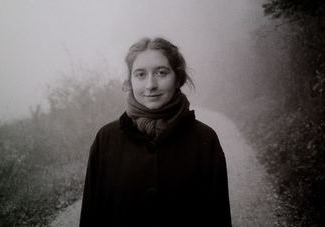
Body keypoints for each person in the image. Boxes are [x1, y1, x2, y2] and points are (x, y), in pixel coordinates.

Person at [79, 37, 232, 226]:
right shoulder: (106, 139)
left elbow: (218, 218)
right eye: (140, 74)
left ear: (178, 78)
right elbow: (91, 217)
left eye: (161, 73)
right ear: (130, 81)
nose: (151, 85)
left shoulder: (205, 139)